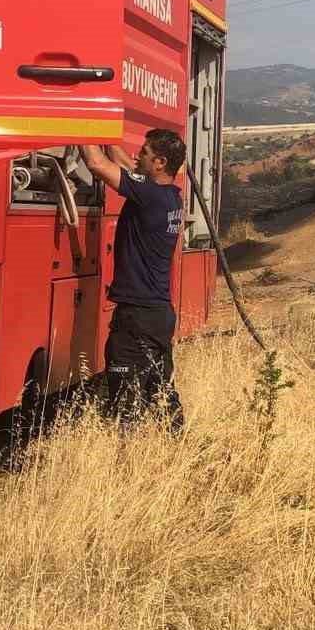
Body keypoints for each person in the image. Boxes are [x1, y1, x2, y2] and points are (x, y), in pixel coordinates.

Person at [81, 130, 188, 432]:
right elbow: (126, 165)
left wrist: (79, 124)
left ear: (160, 162)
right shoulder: (168, 195)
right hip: (158, 314)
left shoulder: (150, 195)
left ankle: (126, 465)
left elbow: (97, 164)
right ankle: (178, 445)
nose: (137, 155)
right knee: (161, 392)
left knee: (122, 403)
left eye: (144, 152)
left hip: (137, 316)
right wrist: (104, 128)